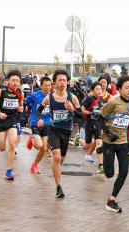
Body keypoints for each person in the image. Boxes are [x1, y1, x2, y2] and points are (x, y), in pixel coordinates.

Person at [99, 75, 129, 212]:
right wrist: (108, 134)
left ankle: (111, 200)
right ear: (120, 89)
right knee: (108, 174)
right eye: (126, 87)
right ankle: (101, 148)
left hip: (122, 142)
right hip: (109, 141)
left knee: (124, 171)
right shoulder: (113, 102)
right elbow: (100, 119)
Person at [36, 69, 81, 198]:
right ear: (54, 83)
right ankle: (58, 187)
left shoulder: (73, 98)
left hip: (66, 132)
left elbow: (81, 117)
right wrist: (39, 119)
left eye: (64, 80)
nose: (62, 82)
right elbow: (39, 111)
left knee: (60, 160)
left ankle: (56, 172)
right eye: (59, 80)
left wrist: (72, 110)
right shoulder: (49, 97)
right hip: (53, 130)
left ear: (67, 82)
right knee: (56, 157)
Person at [0, 70, 24, 180]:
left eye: (17, 81)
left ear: (19, 82)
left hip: (12, 120)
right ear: (8, 81)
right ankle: (0, 147)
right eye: (13, 80)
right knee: (1, 147)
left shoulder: (20, 93)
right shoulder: (2, 90)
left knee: (12, 145)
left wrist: (20, 109)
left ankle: (9, 171)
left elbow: (21, 107)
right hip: (1, 121)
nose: (15, 82)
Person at [25, 76, 52, 174]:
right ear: (41, 86)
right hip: (35, 122)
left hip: (47, 124)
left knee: (44, 148)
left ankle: (34, 165)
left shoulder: (52, 96)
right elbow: (26, 102)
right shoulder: (34, 95)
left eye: (49, 85)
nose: (48, 87)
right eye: (45, 85)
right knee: (38, 145)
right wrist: (27, 111)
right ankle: (32, 138)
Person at [81, 82, 104, 173]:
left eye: (100, 89)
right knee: (87, 145)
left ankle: (101, 165)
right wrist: (90, 113)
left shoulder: (102, 99)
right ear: (92, 90)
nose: (99, 91)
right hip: (90, 124)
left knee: (99, 143)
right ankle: (80, 140)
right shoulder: (89, 99)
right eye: (97, 89)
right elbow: (82, 109)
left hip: (99, 124)